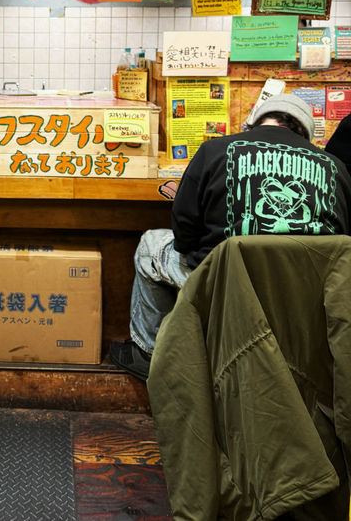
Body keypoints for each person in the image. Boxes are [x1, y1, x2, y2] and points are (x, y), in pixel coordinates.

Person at [110, 93, 351, 381]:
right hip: (301, 298)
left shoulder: (214, 150)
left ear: (256, 123)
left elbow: (184, 235)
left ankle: (149, 354)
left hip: (225, 285)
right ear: (306, 136)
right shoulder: (335, 167)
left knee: (152, 244)